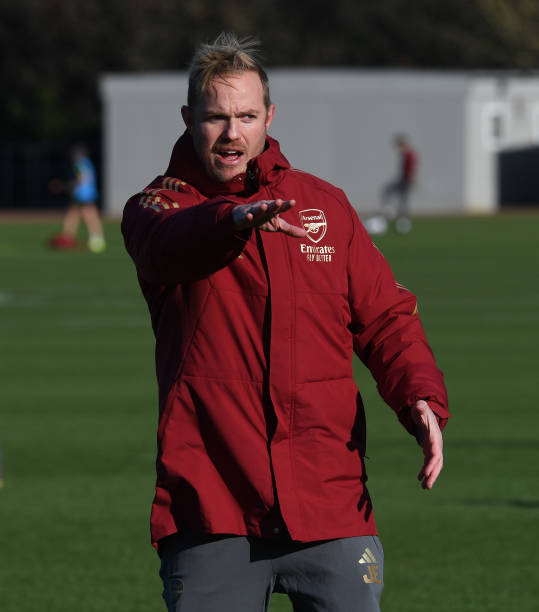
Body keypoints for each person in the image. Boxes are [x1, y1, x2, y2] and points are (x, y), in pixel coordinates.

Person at [121, 33, 450, 612]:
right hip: (212, 507)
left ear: (269, 116)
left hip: (331, 502)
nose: (232, 133)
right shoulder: (159, 207)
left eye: (246, 116)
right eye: (215, 117)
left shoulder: (326, 205)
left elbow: (387, 317)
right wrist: (232, 220)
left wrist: (419, 398)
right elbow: (166, 248)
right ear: (188, 118)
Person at [49, 144, 106, 253]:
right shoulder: (88, 163)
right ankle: (69, 237)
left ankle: (93, 239)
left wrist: (67, 186)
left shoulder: (79, 164)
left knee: (87, 214)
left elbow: (81, 179)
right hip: (88, 192)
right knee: (76, 213)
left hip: (83, 193)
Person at [379, 134, 418, 234]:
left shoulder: (409, 154)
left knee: (403, 201)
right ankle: (396, 217)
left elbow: (410, 170)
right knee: (399, 199)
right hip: (404, 180)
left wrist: (410, 180)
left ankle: (401, 221)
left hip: (406, 181)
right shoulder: (406, 154)